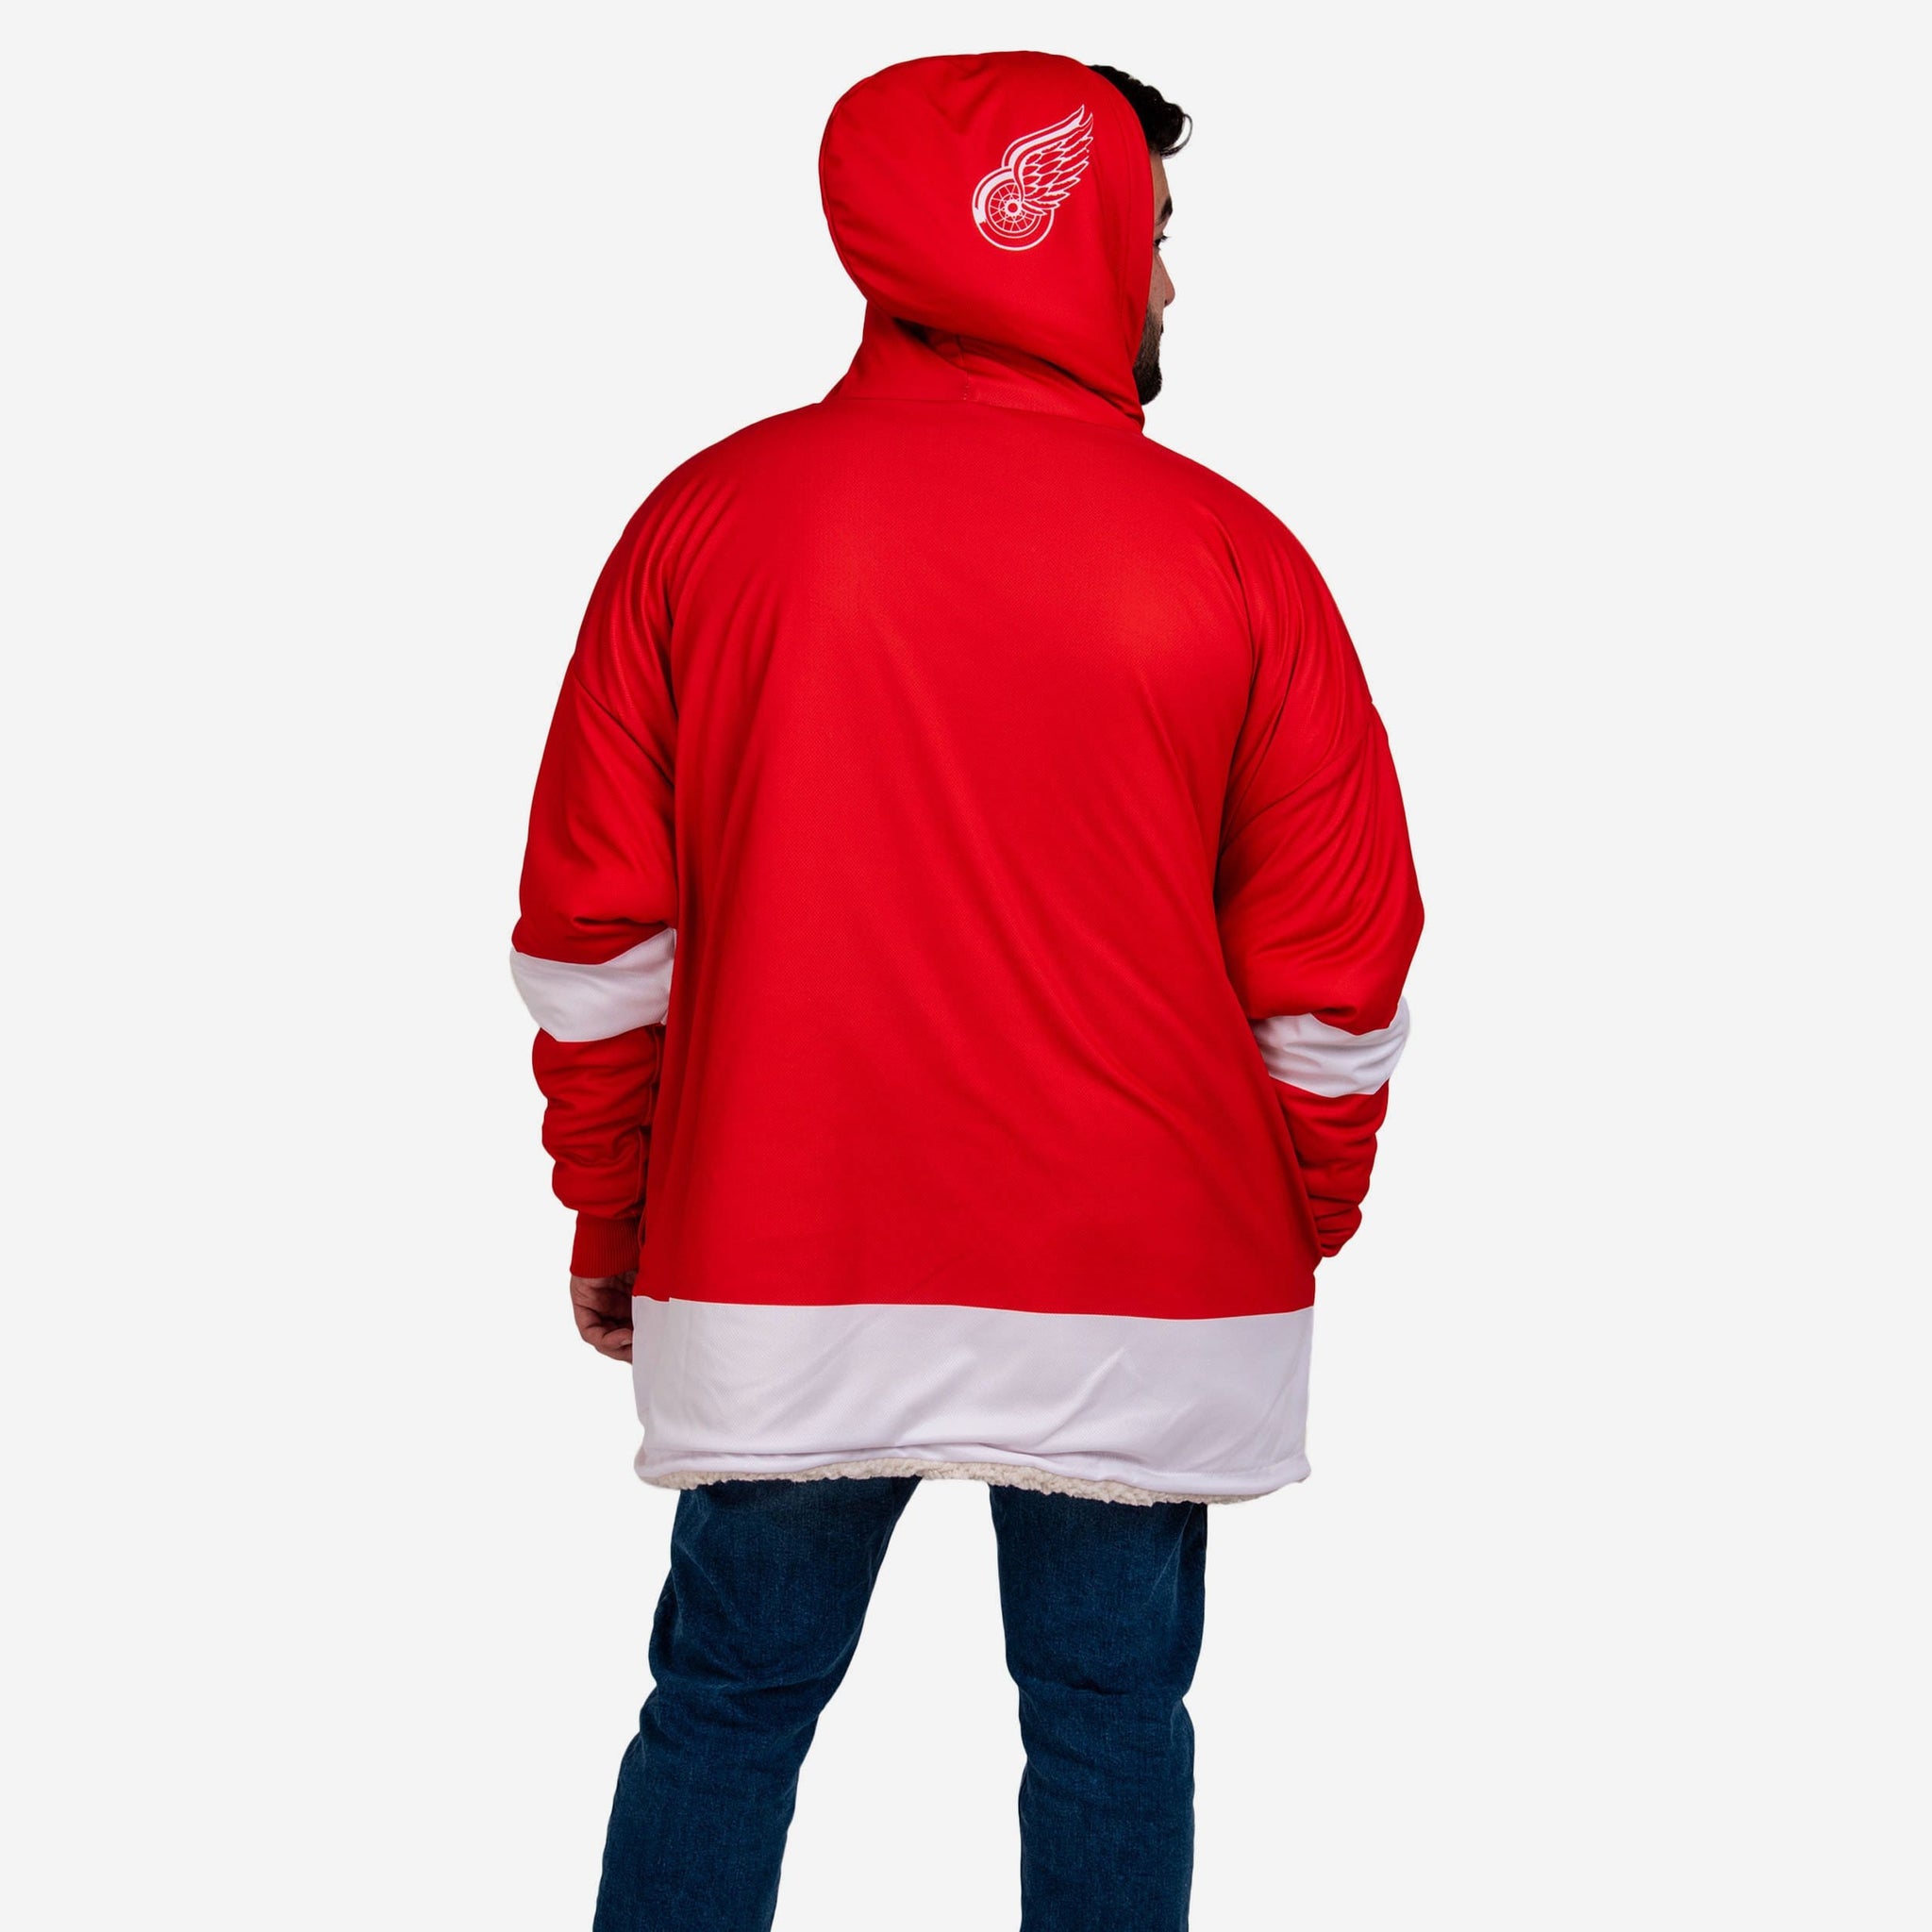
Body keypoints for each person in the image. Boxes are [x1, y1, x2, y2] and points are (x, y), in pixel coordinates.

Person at [510, 50, 1423, 1932]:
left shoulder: (706, 526)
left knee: (725, 1706)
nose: (1170, 280)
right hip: (1140, 1277)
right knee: (1111, 1723)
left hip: (783, 1254)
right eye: (1153, 233)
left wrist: (620, 1209)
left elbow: (601, 942)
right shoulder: (1236, 558)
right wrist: (1288, 1222)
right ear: (1070, 236)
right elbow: (1332, 982)